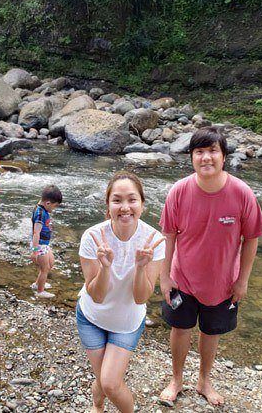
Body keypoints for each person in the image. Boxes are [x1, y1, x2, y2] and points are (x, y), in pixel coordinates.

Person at [159, 127, 262, 406]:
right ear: (192, 157)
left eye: (212, 151)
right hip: (182, 277)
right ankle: (177, 380)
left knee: (211, 332)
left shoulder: (242, 193)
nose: (205, 157)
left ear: (223, 156)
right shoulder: (179, 191)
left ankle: (205, 381)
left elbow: (252, 239)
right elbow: (168, 236)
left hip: (222, 283)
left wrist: (243, 280)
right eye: (199, 152)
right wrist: (164, 276)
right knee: (180, 329)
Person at [77, 171, 165, 413]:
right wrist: (105, 267)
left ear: (142, 204)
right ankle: (97, 406)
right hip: (91, 317)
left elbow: (141, 298)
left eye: (132, 199)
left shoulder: (154, 240)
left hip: (127, 322)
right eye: (117, 200)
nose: (125, 207)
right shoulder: (92, 237)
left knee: (110, 382)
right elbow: (96, 295)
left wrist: (140, 267)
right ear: (108, 206)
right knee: (102, 378)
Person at [30, 184, 63, 299]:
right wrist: (34, 251)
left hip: (44, 244)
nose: (54, 209)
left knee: (50, 264)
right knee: (44, 269)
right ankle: (40, 291)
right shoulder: (39, 214)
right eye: (54, 206)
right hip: (39, 244)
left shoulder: (43, 207)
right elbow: (36, 233)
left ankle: (37, 284)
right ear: (48, 203)